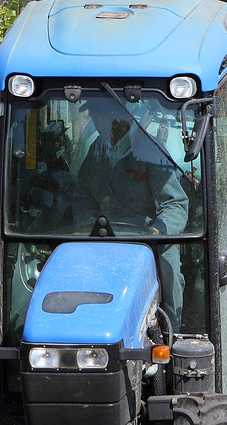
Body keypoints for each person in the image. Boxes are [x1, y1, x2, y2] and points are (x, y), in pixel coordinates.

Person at [78, 114, 190, 322]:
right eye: (96, 117)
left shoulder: (151, 150)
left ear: (122, 120)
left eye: (103, 116)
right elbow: (81, 194)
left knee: (169, 274)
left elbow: (175, 204)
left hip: (148, 238)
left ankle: (172, 336)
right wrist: (87, 221)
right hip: (101, 235)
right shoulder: (98, 149)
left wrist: (157, 231)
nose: (98, 122)